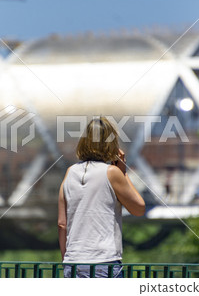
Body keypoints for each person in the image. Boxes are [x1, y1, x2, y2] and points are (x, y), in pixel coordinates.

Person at [57, 117, 146, 278]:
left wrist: (67, 260)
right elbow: (139, 209)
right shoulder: (112, 173)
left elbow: (62, 224)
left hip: (73, 262)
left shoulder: (69, 173)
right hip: (104, 261)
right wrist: (123, 172)